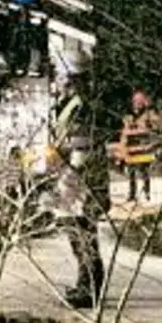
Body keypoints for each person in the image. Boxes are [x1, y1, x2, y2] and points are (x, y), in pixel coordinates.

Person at [48, 79, 104, 308]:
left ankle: (88, 290)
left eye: (61, 81)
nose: (56, 84)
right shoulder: (71, 106)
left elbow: (81, 149)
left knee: (83, 240)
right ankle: (86, 286)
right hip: (77, 186)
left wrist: (68, 177)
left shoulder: (78, 109)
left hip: (80, 188)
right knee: (80, 240)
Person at [118, 88, 159, 203]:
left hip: (144, 148)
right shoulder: (128, 116)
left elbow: (155, 125)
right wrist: (122, 151)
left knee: (144, 172)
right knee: (131, 173)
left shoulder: (149, 114)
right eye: (136, 100)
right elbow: (124, 133)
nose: (138, 103)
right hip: (131, 148)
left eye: (140, 100)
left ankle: (146, 193)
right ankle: (132, 194)